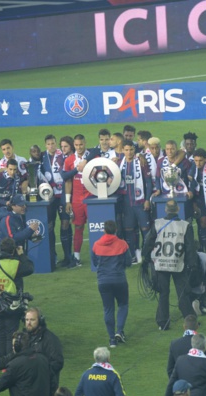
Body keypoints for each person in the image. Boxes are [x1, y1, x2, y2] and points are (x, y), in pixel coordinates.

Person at [0, 307, 64, 396]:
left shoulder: (51, 339)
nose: (28, 323)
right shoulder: (26, 337)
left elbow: (58, 363)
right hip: (27, 385)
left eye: (32, 320)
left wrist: (38, 371)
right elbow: (12, 357)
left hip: (44, 387)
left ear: (40, 321)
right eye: (26, 320)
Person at [142, 200, 198, 330]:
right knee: (183, 294)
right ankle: (190, 321)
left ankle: (163, 323)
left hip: (161, 264)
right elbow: (190, 248)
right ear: (178, 210)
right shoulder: (185, 225)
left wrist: (145, 258)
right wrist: (192, 265)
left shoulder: (157, 223)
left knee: (163, 294)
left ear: (166, 210)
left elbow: (149, 242)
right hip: (178, 264)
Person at [0, 237, 35, 357]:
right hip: (11, 306)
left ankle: (1, 360)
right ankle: (9, 361)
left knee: (0, 335)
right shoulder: (14, 264)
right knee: (11, 335)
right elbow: (29, 268)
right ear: (13, 250)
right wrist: (21, 255)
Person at [91, 220, 132, 348]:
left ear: (104, 230)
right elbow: (129, 262)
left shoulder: (96, 245)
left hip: (103, 281)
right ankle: (119, 331)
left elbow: (94, 262)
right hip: (119, 280)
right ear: (116, 230)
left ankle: (111, 339)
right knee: (123, 305)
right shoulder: (122, 244)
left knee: (108, 309)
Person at [0, 331, 51, 396]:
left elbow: (1, 383)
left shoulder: (15, 365)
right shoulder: (43, 358)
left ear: (17, 347)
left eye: (13, 345)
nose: (12, 348)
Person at [64, 134, 96, 267]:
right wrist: (67, 201)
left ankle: (98, 255)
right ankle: (76, 257)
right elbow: (68, 181)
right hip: (77, 197)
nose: (79, 147)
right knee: (78, 226)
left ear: (85, 143)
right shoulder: (69, 160)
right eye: (76, 145)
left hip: (91, 195)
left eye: (81, 144)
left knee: (95, 226)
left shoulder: (94, 157)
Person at [118, 140, 152, 263]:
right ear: (122, 150)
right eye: (126, 150)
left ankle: (148, 255)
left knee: (145, 229)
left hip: (140, 202)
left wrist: (147, 199)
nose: (129, 152)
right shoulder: (118, 163)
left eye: (131, 149)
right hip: (126, 203)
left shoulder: (141, 162)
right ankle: (133, 254)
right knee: (129, 230)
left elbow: (148, 182)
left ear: (134, 150)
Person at [42, 134, 73, 268]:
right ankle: (52, 257)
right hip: (49, 196)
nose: (51, 146)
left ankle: (68, 257)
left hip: (63, 194)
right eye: (48, 144)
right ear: (45, 145)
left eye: (53, 143)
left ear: (56, 144)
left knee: (65, 223)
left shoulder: (63, 155)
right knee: (49, 225)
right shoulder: (42, 157)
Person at [0, 158, 22, 255]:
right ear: (6, 168)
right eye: (10, 169)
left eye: (14, 170)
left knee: (6, 234)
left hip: (6, 210)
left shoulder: (17, 178)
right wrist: (5, 202)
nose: (12, 172)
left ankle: (7, 255)